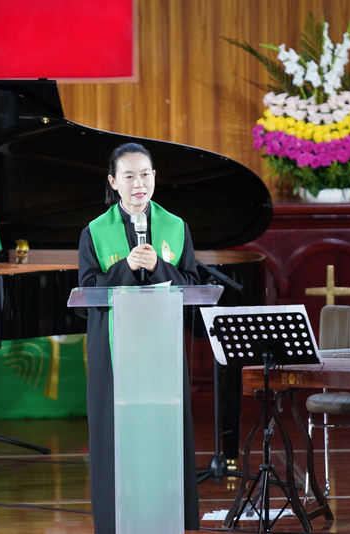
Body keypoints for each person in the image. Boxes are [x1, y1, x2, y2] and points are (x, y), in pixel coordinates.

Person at [77, 142, 201, 533]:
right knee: (113, 440)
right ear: (113, 182)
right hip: (113, 354)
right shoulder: (94, 232)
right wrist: (125, 269)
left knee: (167, 438)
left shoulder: (176, 227)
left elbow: (194, 287)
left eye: (145, 174)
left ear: (154, 179)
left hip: (161, 352)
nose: (138, 184)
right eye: (128, 176)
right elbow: (86, 297)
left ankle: (171, 521)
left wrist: (161, 268)